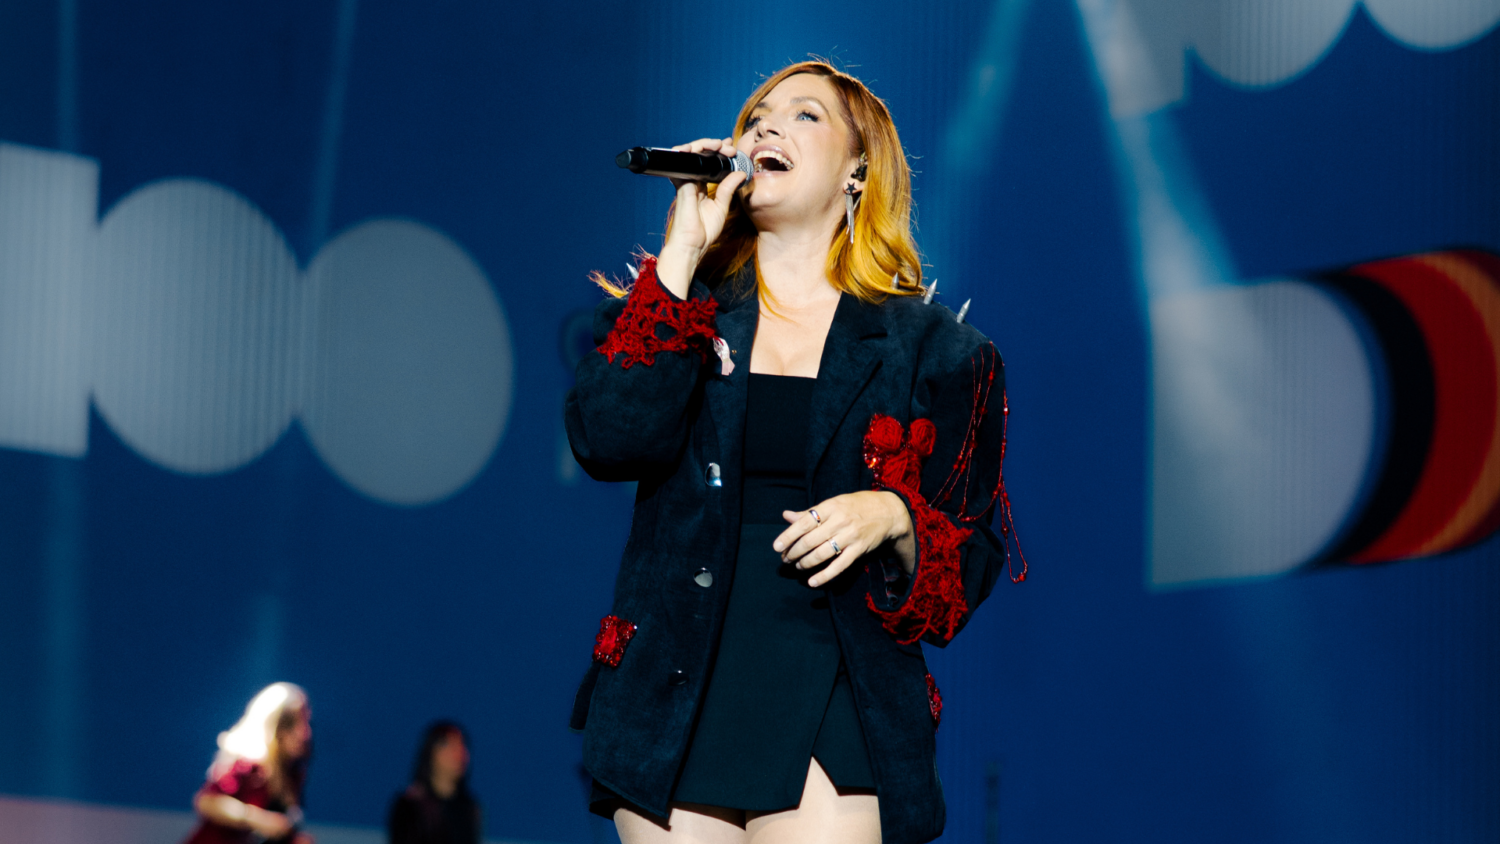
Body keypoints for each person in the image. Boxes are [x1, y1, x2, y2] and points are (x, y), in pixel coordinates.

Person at [566, 61, 1024, 844]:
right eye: (756, 118)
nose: (767, 127)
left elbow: (969, 561)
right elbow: (609, 440)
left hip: (837, 684)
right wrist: (680, 255)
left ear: (858, 170)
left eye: (805, 115)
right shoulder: (685, 313)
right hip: (677, 691)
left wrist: (894, 515)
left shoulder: (936, 352)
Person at [183, 682, 314, 844]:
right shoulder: (247, 764)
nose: (305, 733)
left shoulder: (292, 774)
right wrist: (256, 819)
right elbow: (206, 802)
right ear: (274, 725)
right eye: (294, 723)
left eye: (306, 722)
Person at [387, 720, 482, 844]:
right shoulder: (411, 805)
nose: (459, 754)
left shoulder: (471, 809)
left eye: (462, 746)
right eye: (449, 745)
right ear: (431, 752)